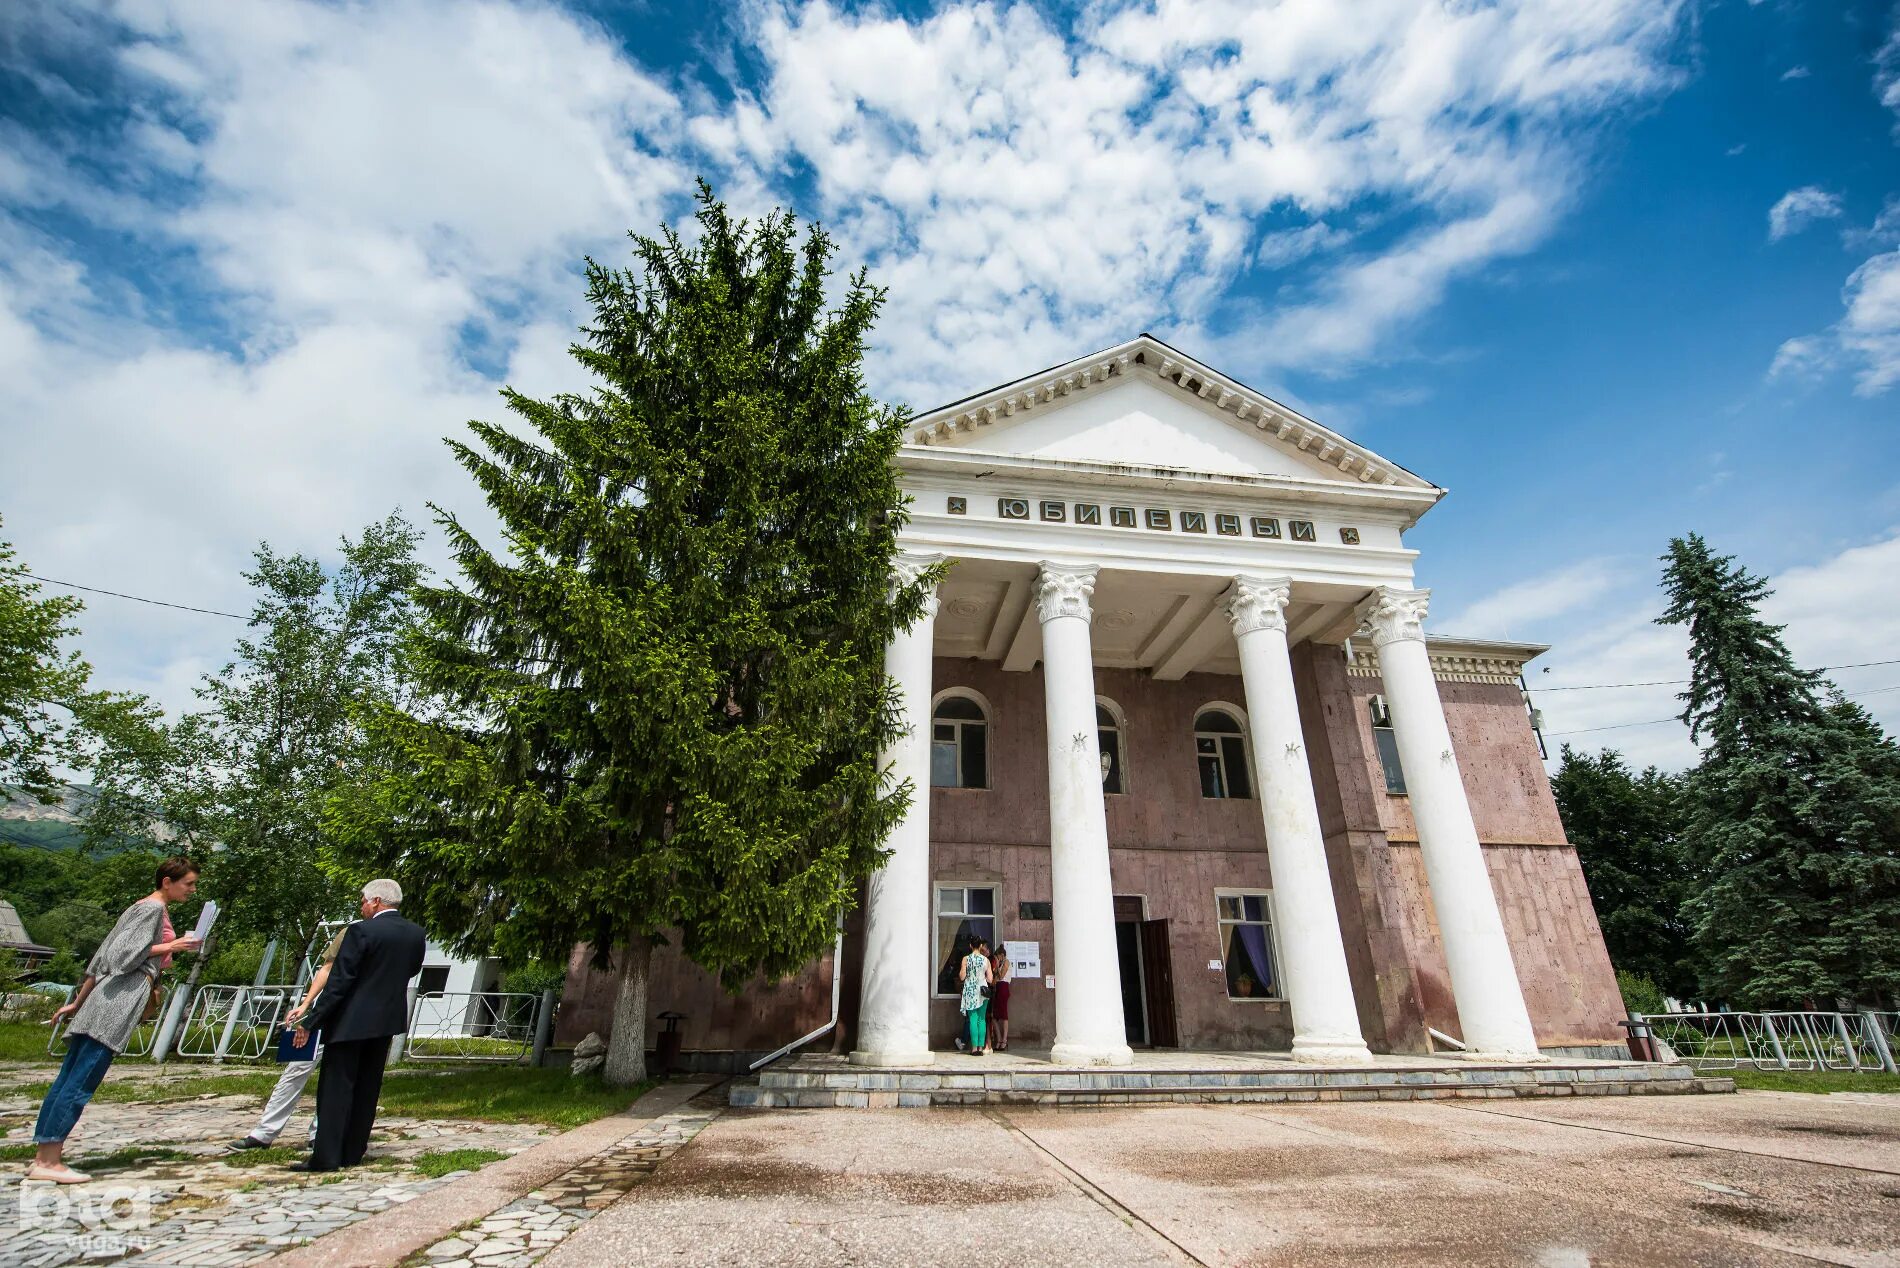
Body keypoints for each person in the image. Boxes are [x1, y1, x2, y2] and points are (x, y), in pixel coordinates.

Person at [28, 858, 204, 1184]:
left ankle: (43, 1156)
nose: (192, 889)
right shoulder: (151, 909)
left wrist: (78, 1003)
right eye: (188, 883)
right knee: (80, 1082)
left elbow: (100, 958)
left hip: (100, 1000)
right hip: (116, 1002)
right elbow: (123, 958)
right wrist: (174, 945)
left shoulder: (140, 907)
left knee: (68, 1078)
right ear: (168, 881)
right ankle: (49, 1163)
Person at [290, 879, 425, 1173]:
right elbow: (412, 969)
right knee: (367, 1087)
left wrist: (313, 1019)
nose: (362, 906)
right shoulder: (415, 934)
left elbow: (340, 981)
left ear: (376, 901)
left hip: (350, 1020)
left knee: (337, 1088)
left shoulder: (361, 931)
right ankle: (353, 1151)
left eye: (363, 900)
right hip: (386, 1021)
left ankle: (326, 1156)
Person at [228, 925, 347, 1152]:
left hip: (352, 1018)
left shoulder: (381, 934)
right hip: (323, 1013)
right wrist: (306, 1003)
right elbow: (327, 968)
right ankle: (264, 1133)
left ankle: (319, 1133)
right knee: (296, 1069)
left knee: (337, 1077)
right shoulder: (349, 933)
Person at [958, 935, 992, 1056]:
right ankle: (980, 1047)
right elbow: (990, 979)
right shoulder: (986, 960)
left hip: (971, 991)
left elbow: (962, 977)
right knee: (982, 1019)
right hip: (983, 991)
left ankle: (974, 1049)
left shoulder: (966, 959)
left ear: (970, 946)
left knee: (973, 1019)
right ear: (981, 946)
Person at [988, 942, 1013, 1053]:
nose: (996, 959)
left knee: (1003, 1015)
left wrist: (997, 966)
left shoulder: (1006, 962)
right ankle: (999, 1039)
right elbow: (995, 979)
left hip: (1004, 988)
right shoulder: (1001, 963)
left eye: (997, 957)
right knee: (994, 1016)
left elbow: (1001, 976)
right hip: (998, 988)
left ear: (1001, 955)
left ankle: (1004, 1040)